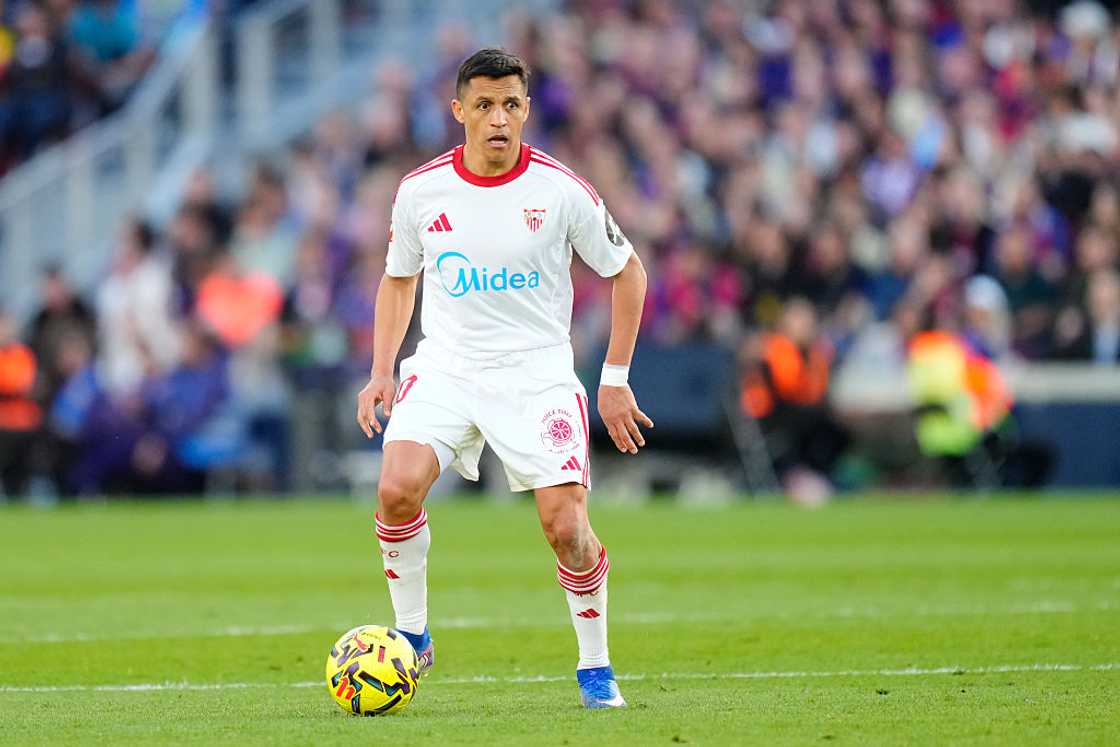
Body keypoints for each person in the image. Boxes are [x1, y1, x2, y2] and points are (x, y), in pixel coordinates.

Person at [354, 49, 651, 709]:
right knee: (396, 488)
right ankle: (411, 635)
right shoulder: (421, 190)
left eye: (511, 105)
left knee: (565, 526)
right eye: (484, 104)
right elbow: (399, 278)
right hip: (446, 363)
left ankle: (595, 666)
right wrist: (381, 370)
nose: (498, 118)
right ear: (459, 110)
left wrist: (615, 376)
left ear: (526, 110)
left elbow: (628, 273)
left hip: (535, 371)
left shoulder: (560, 189)